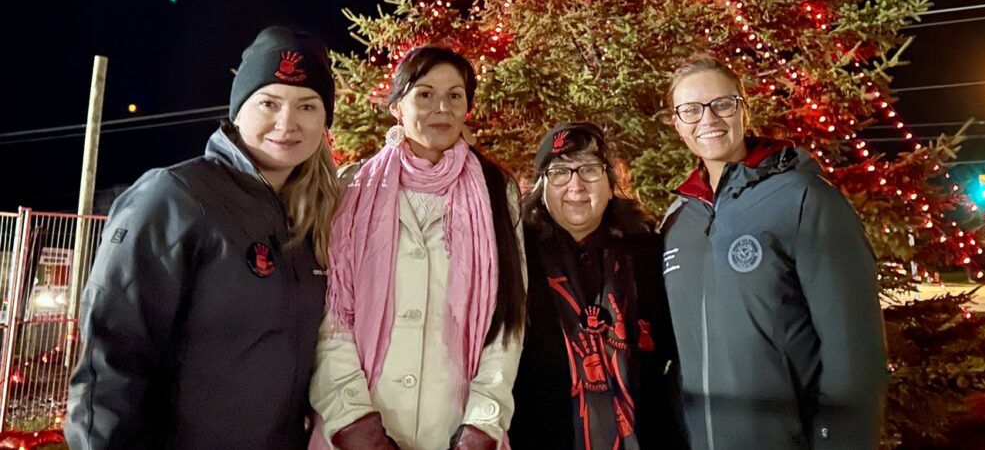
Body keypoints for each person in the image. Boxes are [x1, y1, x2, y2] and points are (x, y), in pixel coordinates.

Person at [65, 26, 341, 449]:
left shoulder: (312, 218)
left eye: (307, 105)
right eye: (269, 102)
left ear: (325, 119)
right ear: (238, 108)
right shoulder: (176, 197)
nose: (287, 123)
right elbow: (112, 357)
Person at [660, 54, 887, 449]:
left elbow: (854, 348)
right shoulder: (678, 220)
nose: (708, 119)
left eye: (722, 104)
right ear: (678, 124)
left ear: (744, 109)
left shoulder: (804, 199)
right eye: (691, 110)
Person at [308, 46, 526, 450]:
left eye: (454, 95)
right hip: (360, 426)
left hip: (455, 426)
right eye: (424, 94)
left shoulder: (497, 192)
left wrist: (482, 425)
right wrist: (356, 424)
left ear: (466, 107)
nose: (440, 107)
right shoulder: (352, 188)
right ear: (397, 107)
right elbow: (331, 319)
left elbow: (508, 320)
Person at [510, 123, 686, 450]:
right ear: (540, 186)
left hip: (645, 435)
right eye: (560, 172)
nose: (576, 185)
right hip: (543, 436)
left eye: (590, 170)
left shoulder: (647, 253)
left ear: (610, 184)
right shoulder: (516, 259)